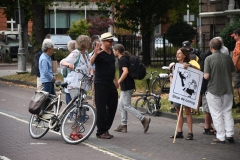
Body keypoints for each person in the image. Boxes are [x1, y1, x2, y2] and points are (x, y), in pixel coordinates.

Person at [112, 44, 151, 133]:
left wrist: (118, 82)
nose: (113, 52)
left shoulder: (122, 59)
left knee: (127, 106)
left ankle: (143, 119)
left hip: (127, 86)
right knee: (121, 105)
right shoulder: (124, 58)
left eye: (114, 50)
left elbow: (125, 72)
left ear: (117, 51)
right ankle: (123, 125)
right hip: (127, 85)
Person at [60, 35, 92, 140]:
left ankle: (77, 131)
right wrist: (70, 65)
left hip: (83, 84)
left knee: (80, 108)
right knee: (77, 107)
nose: (90, 43)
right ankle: (73, 132)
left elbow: (89, 67)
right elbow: (62, 62)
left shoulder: (86, 54)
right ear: (84, 43)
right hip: (74, 84)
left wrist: (91, 73)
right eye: (89, 42)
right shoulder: (76, 53)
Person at [204, 38, 235, 143]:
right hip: (227, 88)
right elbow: (232, 73)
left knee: (216, 113)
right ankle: (230, 134)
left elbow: (207, 76)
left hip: (214, 89)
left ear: (211, 47)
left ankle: (221, 136)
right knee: (227, 111)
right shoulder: (228, 58)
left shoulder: (209, 59)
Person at [90, 32, 119, 139]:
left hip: (110, 83)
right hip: (100, 83)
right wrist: (95, 54)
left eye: (112, 41)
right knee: (101, 108)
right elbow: (90, 63)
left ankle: (105, 127)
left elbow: (112, 67)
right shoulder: (98, 52)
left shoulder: (111, 52)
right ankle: (101, 131)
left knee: (113, 104)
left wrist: (116, 80)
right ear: (103, 41)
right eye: (109, 41)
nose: (111, 43)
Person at [169, 48, 198, 140]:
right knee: (178, 111)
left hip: (186, 91)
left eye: (179, 53)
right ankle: (179, 131)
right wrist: (174, 83)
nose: (177, 55)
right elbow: (171, 77)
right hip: (178, 91)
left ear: (184, 55)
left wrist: (189, 66)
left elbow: (198, 70)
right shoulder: (174, 66)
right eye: (177, 53)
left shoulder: (189, 65)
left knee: (188, 111)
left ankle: (190, 132)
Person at [200, 49, 216, 135]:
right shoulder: (207, 66)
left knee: (207, 108)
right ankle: (207, 127)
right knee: (208, 109)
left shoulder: (204, 65)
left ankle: (208, 126)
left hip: (205, 88)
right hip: (207, 88)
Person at [88, 39, 100, 108]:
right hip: (95, 78)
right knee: (94, 94)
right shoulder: (90, 55)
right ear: (94, 46)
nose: (100, 46)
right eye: (98, 45)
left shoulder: (103, 54)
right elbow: (89, 66)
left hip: (102, 78)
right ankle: (95, 108)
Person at [64, 40, 76, 105]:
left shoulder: (68, 58)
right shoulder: (79, 56)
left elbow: (64, 73)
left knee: (69, 105)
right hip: (77, 85)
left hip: (69, 84)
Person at [232, 28, 240, 109]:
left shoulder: (238, 43)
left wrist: (234, 65)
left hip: (238, 67)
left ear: (237, 35)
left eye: (234, 35)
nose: (234, 37)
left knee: (238, 85)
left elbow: (238, 54)